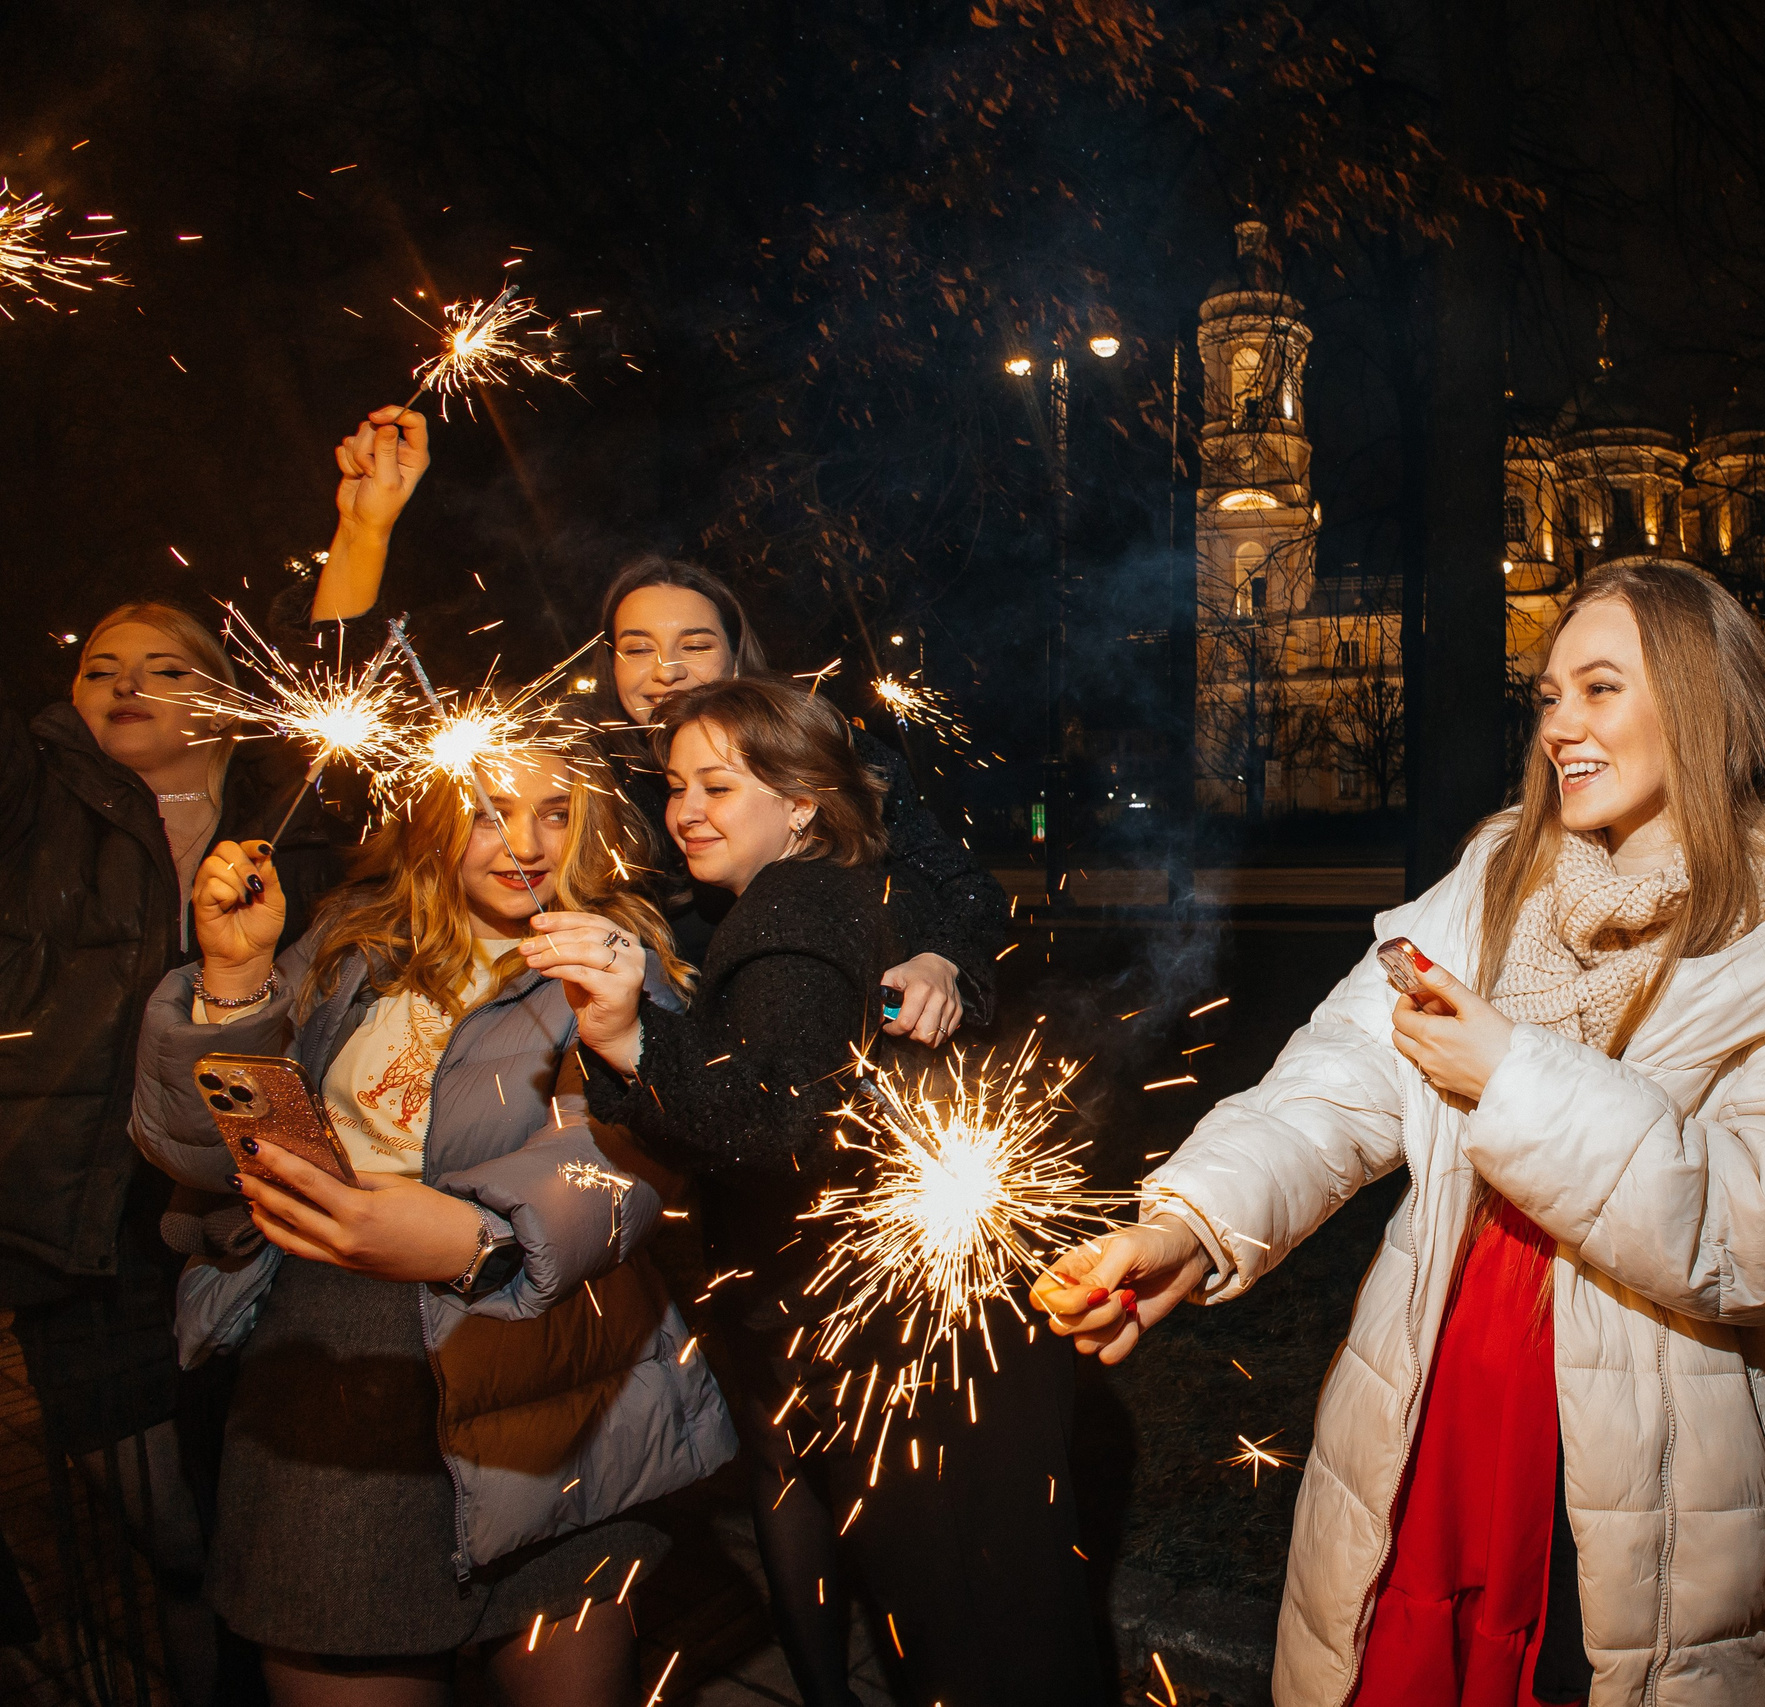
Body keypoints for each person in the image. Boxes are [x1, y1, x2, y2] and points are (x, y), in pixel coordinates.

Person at [1039, 561, 1765, 1707]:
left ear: (1698, 700)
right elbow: (1339, 1083)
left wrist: (1511, 1081)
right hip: (1438, 1405)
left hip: (1645, 1462)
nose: (1558, 729)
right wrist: (1192, 1221)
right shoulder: (1498, 879)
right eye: (1546, 698)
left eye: (1598, 690)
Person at [124, 736, 734, 1706]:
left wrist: (472, 1243)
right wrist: (233, 982)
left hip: (547, 1389)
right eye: (490, 809)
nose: (523, 841)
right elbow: (209, 1154)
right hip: (335, 1391)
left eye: (555, 811)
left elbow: (628, 1168)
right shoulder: (348, 948)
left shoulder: (619, 960)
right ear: (435, 817)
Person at [544, 676, 1106, 1707]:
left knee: (956, 1628)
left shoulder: (788, 915)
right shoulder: (856, 890)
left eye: (719, 784)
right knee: (1008, 1609)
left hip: (901, 1341)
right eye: (676, 787)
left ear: (801, 802)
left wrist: (625, 1038)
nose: (687, 811)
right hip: (952, 1314)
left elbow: (773, 1120)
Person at [0, 402, 422, 1702]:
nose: (125, 682)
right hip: (72, 1229)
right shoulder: (29, 800)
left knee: (240, 1519)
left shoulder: (286, 820)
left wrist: (358, 534)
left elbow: (358, 724)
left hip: (245, 1215)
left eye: (165, 665)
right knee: (157, 1528)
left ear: (226, 701)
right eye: (100, 666)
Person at [306, 533, 1004, 1045]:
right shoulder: (578, 766)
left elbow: (955, 884)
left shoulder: (817, 754)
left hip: (790, 1060)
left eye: (694, 644)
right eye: (637, 646)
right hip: (617, 1059)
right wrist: (366, 525)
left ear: (737, 653)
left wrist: (938, 960)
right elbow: (370, 740)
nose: (665, 669)